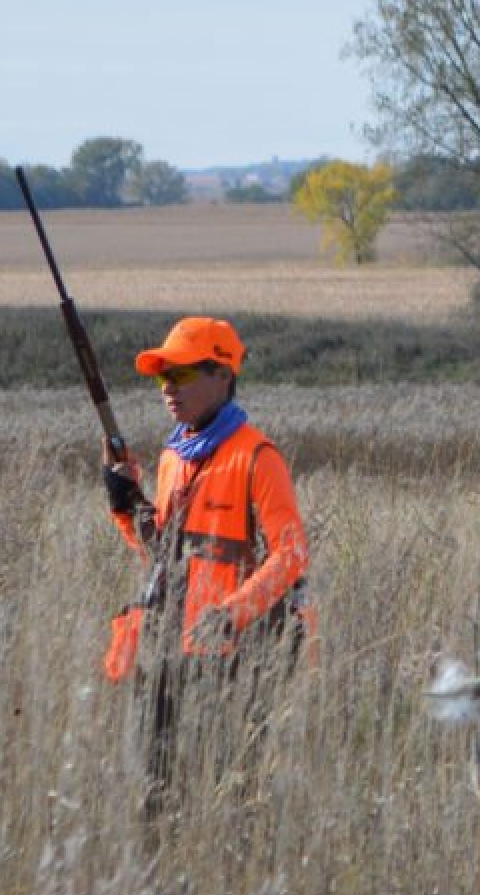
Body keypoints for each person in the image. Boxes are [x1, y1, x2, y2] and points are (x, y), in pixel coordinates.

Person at [102, 317, 312, 842]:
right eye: (162, 378)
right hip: (172, 647)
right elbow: (164, 558)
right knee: (158, 785)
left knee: (232, 788)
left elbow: (291, 553)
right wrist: (127, 510)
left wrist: (231, 614)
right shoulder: (174, 457)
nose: (169, 388)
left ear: (222, 376)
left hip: (241, 656)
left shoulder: (257, 456)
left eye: (183, 374)